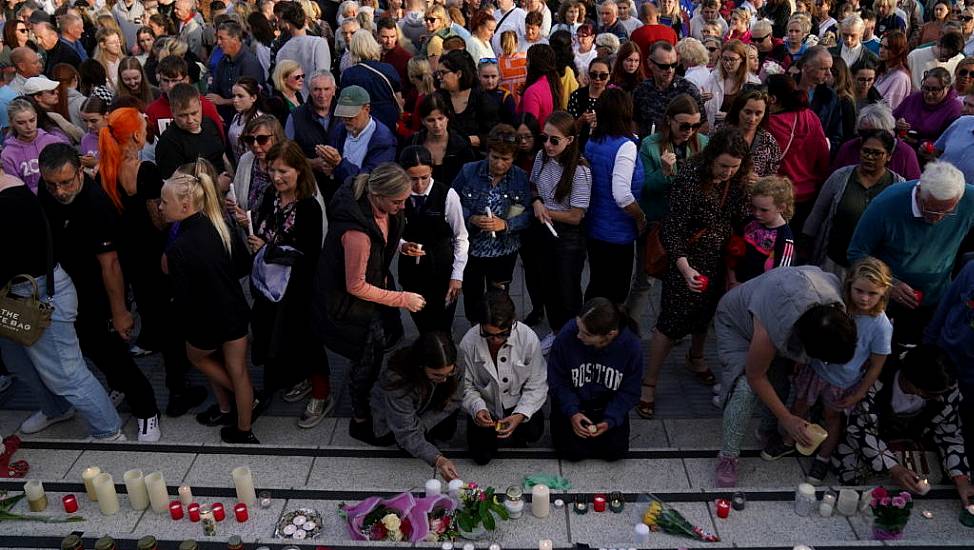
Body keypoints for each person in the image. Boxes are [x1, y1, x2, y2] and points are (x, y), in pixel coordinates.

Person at [36, 141, 163, 443]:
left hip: (99, 289)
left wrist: (119, 312)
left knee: (113, 351)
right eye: (53, 184)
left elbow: (111, 265)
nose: (60, 191)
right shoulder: (47, 189)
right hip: (67, 286)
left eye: (66, 183)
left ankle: (147, 408)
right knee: (92, 349)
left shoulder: (96, 204)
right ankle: (118, 384)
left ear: (80, 172)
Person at [98, 107, 207, 418]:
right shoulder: (142, 169)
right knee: (173, 323)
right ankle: (178, 390)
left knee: (153, 316)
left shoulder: (103, 170)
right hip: (156, 257)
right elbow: (158, 219)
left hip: (128, 260)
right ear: (135, 134)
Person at [0, 170, 124, 441]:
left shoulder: (10, 201)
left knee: (66, 372)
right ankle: (56, 409)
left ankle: (108, 431)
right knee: (20, 363)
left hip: (38, 297)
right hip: (14, 296)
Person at [638, 128, 751, 419]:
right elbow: (673, 229)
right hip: (685, 261)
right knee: (670, 322)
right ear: (711, 157)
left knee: (705, 316)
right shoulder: (689, 177)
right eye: (723, 166)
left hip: (718, 259)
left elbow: (737, 219)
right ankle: (649, 382)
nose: (728, 172)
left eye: (734, 167)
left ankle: (696, 357)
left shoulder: (738, 179)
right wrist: (685, 267)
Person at [313, 163, 426, 443]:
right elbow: (356, 286)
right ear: (378, 195)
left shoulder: (375, 208)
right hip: (352, 306)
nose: (402, 206)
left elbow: (383, 237)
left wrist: (400, 246)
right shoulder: (357, 235)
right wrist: (403, 300)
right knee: (365, 361)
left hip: (373, 292)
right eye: (398, 201)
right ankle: (360, 419)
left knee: (381, 346)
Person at [714, 266, 858, 487]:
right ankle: (728, 456)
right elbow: (756, 377)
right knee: (745, 390)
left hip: (781, 310)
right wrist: (787, 418)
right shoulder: (771, 325)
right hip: (736, 324)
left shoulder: (836, 301)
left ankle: (767, 431)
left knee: (780, 385)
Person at [763, 258, 893, 486]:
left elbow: (876, 364)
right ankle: (788, 440)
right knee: (800, 405)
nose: (864, 298)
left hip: (843, 382)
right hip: (815, 370)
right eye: (859, 291)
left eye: (872, 294)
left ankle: (823, 457)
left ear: (884, 293)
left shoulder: (880, 325)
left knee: (832, 418)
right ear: (849, 284)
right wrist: (803, 360)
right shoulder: (838, 305)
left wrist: (859, 393)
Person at [161, 162, 254, 443]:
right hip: (235, 310)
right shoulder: (219, 226)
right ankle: (244, 428)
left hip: (206, 319)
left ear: (186, 205)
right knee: (239, 371)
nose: (161, 207)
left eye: (165, 202)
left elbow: (184, 297)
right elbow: (242, 265)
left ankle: (244, 400)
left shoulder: (179, 247)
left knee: (197, 357)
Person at [247, 141, 331, 429]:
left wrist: (268, 247)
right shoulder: (272, 195)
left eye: (283, 171)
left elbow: (308, 256)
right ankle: (297, 379)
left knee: (308, 341)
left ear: (299, 170)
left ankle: (321, 393)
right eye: (272, 170)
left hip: (299, 289)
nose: (276, 177)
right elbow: (263, 226)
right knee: (277, 337)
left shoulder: (309, 207)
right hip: (270, 288)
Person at [847, 161, 974, 349]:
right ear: (920, 190)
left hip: (935, 296)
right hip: (885, 300)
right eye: (931, 209)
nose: (937, 218)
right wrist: (890, 284)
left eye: (947, 212)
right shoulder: (885, 205)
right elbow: (856, 253)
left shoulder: (969, 199)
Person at [834, 343, 973, 507]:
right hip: (871, 439)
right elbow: (858, 429)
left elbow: (950, 435)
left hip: (909, 442)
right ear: (912, 382)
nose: (938, 399)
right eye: (930, 394)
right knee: (851, 470)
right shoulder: (876, 378)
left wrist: (962, 479)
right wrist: (894, 468)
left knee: (930, 479)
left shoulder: (945, 387)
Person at [451, 123, 532, 323]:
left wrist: (505, 225)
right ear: (488, 153)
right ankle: (475, 328)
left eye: (505, 159)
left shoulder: (520, 178)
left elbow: (528, 214)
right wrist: (471, 218)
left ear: (513, 158)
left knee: (499, 295)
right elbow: (451, 203)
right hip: (473, 249)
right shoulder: (469, 171)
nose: (498, 164)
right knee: (472, 294)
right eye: (494, 157)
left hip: (504, 250)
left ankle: (497, 327)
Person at [548, 298, 643, 461]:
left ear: (610, 335)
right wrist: (572, 412)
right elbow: (557, 380)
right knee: (571, 453)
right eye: (578, 327)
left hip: (607, 404)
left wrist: (610, 419)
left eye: (586, 334)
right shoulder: (567, 335)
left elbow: (630, 390)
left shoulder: (631, 346)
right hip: (574, 400)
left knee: (615, 452)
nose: (578, 335)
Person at [460, 289, 547, 464]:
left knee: (533, 431)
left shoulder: (528, 338)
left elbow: (537, 383)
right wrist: (478, 408)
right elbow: (465, 386)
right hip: (487, 406)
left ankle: (520, 435)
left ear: (512, 323)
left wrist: (521, 414)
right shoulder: (468, 343)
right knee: (481, 457)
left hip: (517, 402)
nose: (496, 340)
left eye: (502, 334)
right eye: (488, 335)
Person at [530, 110, 591, 351]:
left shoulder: (580, 170)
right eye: (544, 138)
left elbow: (576, 216)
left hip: (567, 238)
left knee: (568, 290)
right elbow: (533, 183)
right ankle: (557, 332)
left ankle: (573, 336)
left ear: (570, 140)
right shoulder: (541, 157)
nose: (547, 144)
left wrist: (547, 212)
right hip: (543, 232)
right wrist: (536, 201)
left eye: (554, 140)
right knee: (548, 286)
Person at [804, 129, 904, 277]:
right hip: (835, 261)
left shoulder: (898, 186)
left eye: (877, 153)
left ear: (888, 156)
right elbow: (818, 213)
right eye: (865, 151)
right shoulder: (840, 177)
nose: (869, 157)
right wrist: (805, 244)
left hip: (874, 270)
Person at [370, 331, 464, 480]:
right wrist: (437, 459)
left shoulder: (457, 356)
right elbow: (406, 432)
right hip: (397, 414)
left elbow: (456, 398)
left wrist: (422, 425)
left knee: (444, 429)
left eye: (449, 373)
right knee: (407, 445)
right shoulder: (395, 380)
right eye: (437, 375)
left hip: (427, 404)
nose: (445, 380)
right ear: (420, 366)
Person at [396, 145, 469, 334]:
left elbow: (461, 237)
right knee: (421, 321)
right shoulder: (396, 196)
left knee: (442, 323)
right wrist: (402, 246)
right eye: (412, 179)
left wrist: (457, 276)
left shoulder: (447, 195)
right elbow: (388, 233)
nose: (419, 185)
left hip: (442, 269)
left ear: (432, 171)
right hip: (411, 270)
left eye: (424, 178)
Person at [583, 88, 644, 305]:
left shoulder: (593, 141)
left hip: (595, 226)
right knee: (615, 291)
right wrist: (639, 217)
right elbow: (621, 194)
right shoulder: (625, 146)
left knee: (598, 283)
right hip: (617, 233)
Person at [766, 74, 829, 235]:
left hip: (776, 193)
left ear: (772, 98)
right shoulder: (810, 116)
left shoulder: (770, 123)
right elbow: (823, 156)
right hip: (806, 194)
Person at [320, 85, 397, 185]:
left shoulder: (384, 140)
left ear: (367, 109)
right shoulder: (340, 129)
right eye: (343, 114)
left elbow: (371, 179)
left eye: (351, 115)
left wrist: (339, 164)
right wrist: (328, 166)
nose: (346, 119)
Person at [729, 176, 796, 286]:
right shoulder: (749, 222)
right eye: (753, 207)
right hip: (733, 282)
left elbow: (780, 275)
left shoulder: (784, 237)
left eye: (764, 210)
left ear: (781, 207)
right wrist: (732, 280)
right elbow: (731, 251)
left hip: (756, 290)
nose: (757, 213)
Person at [633, 41, 705, 137]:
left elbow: (703, 124)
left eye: (674, 65)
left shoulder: (688, 90)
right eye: (664, 66)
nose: (670, 70)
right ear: (650, 63)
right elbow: (634, 123)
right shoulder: (641, 90)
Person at [145, 55, 225, 141]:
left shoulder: (204, 105)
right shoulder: (152, 110)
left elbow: (220, 138)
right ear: (159, 79)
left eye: (174, 80)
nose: (170, 86)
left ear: (186, 80)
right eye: (165, 80)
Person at [155, 83, 226, 178]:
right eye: (183, 115)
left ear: (200, 106)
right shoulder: (168, 142)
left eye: (194, 113)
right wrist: (217, 185)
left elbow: (222, 155)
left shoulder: (209, 123)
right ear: (172, 111)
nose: (190, 120)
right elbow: (175, 185)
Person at [407, 93, 477, 189]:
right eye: (431, 120)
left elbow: (470, 178)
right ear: (423, 121)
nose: (437, 125)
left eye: (440, 118)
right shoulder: (412, 143)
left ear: (447, 118)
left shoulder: (461, 146)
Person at [285, 71, 336, 198]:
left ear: (334, 90)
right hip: (309, 187)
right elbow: (287, 154)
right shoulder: (295, 117)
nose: (322, 94)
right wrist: (313, 163)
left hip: (341, 186)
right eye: (317, 89)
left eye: (326, 89)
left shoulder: (345, 115)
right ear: (309, 91)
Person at [1, 98, 68, 194]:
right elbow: (15, 189)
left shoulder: (53, 141)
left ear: (36, 117)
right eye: (21, 123)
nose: (28, 126)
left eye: (32, 120)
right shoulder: (8, 154)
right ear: (12, 122)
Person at [436, 50, 499, 149]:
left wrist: (473, 140)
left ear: (458, 74)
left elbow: (494, 135)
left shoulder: (481, 99)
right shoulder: (438, 99)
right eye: (438, 73)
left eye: (443, 73)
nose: (439, 77)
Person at [206, 19, 265, 124]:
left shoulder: (249, 63)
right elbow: (213, 90)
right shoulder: (223, 61)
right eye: (217, 38)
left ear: (235, 39)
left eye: (221, 38)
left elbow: (252, 97)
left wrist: (223, 101)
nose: (218, 42)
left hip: (246, 121)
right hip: (225, 118)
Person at [893, 67, 962, 151]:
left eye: (935, 90)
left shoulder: (954, 108)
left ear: (947, 88)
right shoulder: (914, 98)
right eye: (926, 88)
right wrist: (897, 124)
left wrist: (920, 143)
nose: (929, 94)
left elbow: (948, 141)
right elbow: (893, 118)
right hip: (901, 147)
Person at [230, 115, 285, 212]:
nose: (255, 145)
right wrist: (232, 202)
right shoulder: (246, 160)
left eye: (262, 139)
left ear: (276, 138)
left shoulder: (289, 163)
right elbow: (236, 191)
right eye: (250, 140)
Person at [700, 39, 761, 128]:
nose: (727, 63)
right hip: (715, 130)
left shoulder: (753, 82)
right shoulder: (714, 76)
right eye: (724, 59)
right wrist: (702, 99)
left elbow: (755, 113)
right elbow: (704, 103)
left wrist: (730, 116)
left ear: (742, 60)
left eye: (732, 60)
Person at [724, 88, 781, 178]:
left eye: (758, 113)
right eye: (747, 112)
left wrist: (759, 182)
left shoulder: (769, 142)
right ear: (738, 110)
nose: (752, 119)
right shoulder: (721, 133)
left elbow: (772, 176)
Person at [226, 77, 265, 165]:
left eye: (240, 96)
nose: (235, 100)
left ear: (253, 98)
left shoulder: (260, 121)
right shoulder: (236, 116)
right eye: (234, 96)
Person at [477, 59, 517, 123]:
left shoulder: (505, 96)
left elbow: (513, 122)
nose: (490, 81)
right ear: (478, 76)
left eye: (493, 76)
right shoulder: (472, 94)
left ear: (499, 76)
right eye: (486, 77)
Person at [268, 59, 305, 124]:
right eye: (297, 77)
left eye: (303, 76)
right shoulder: (276, 101)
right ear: (284, 79)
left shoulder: (298, 95)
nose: (301, 80)